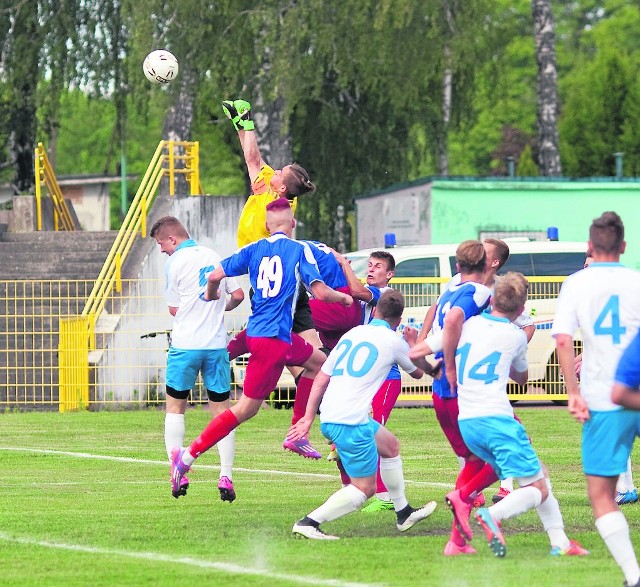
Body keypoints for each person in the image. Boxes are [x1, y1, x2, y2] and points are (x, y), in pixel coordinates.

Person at [169, 199, 353, 498]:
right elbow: (319, 292)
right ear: (293, 224)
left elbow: (214, 275)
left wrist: (211, 296)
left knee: (321, 364)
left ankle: (298, 430)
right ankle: (187, 457)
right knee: (245, 409)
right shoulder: (299, 250)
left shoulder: (254, 249)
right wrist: (345, 299)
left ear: (267, 226)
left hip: (263, 334)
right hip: (272, 340)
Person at [452, 272, 589, 558]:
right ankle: (493, 514)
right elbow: (523, 378)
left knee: (539, 473)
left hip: (467, 420)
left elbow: (433, 347)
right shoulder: (515, 335)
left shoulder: (469, 323)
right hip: (497, 419)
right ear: (521, 308)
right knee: (537, 488)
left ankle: (560, 542)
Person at [287, 289, 439, 539]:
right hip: (349, 421)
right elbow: (419, 373)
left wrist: (308, 417)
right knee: (364, 489)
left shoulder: (353, 333)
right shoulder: (394, 341)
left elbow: (322, 377)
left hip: (333, 413)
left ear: (375, 312)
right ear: (399, 321)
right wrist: (413, 345)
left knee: (390, 446)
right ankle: (308, 522)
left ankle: (403, 513)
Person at [222, 98, 325, 458]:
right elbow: (255, 159)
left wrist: (244, 122)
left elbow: (254, 161)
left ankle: (225, 351)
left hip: (277, 284)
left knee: (309, 361)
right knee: (312, 362)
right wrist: (241, 122)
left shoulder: (272, 197)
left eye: (278, 172)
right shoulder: (277, 192)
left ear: (280, 188)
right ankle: (309, 425)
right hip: (283, 281)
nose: (272, 171)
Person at [551, 211, 640, 587]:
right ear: (622, 247)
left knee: (602, 494)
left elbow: (561, 340)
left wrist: (573, 393)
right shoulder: (636, 280)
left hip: (602, 398)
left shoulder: (576, 284)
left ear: (590, 247)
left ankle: (633, 575)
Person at [409, 240, 499, 556]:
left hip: (441, 396)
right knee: (502, 455)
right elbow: (452, 322)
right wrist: (448, 368)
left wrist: (430, 370)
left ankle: (457, 541)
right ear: (487, 265)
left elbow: (418, 348)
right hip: (465, 391)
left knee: (474, 460)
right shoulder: (481, 293)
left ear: (457, 266)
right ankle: (465, 498)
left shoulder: (450, 289)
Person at [150, 216, 245, 501]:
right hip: (216, 346)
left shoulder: (174, 262)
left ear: (173, 239)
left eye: (161, 244)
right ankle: (225, 475)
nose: (161, 250)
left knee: (175, 408)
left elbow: (174, 309)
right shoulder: (215, 255)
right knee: (223, 413)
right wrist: (218, 310)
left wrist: (195, 313)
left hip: (185, 346)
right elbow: (238, 295)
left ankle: (176, 471)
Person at [575, 250, 638, 505]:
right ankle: (625, 486)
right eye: (586, 265)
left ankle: (624, 487)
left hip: (619, 372)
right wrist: (585, 355)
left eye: (591, 265)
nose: (587, 270)